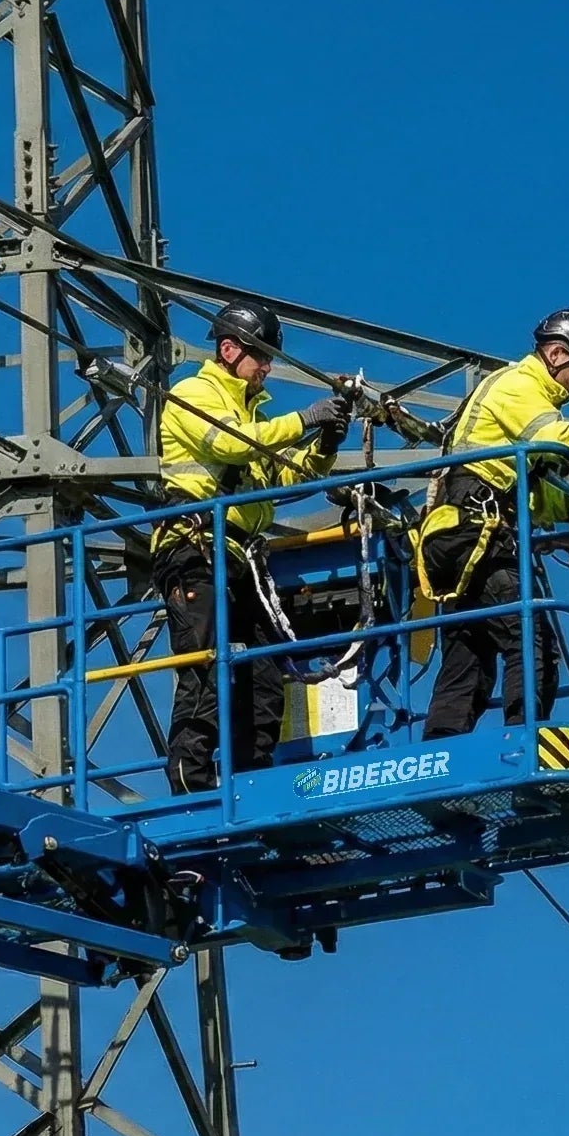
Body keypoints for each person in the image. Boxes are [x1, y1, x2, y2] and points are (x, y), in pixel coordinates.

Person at [416, 308, 569, 740]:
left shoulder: (519, 405)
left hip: (465, 532)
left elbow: (535, 495)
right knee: (532, 641)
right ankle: (525, 744)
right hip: (478, 530)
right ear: (557, 354)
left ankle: (441, 755)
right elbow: (560, 441)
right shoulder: (518, 386)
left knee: (469, 652)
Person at [150, 299, 349, 792]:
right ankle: (191, 789)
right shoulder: (191, 392)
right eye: (260, 356)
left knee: (263, 681)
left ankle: (252, 784)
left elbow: (281, 479)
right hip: (195, 550)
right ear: (229, 348)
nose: (267, 367)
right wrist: (306, 418)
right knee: (205, 675)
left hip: (238, 558)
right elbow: (232, 445)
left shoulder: (251, 412)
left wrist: (323, 444)